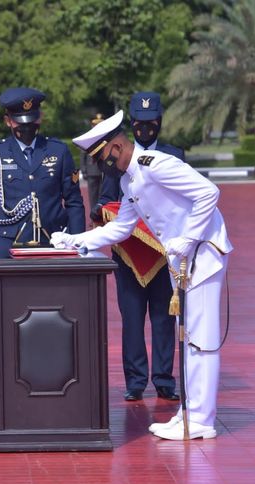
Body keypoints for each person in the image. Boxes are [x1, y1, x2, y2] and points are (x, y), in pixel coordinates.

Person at [52, 110, 233, 440]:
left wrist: (188, 238)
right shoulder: (128, 179)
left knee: (200, 342)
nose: (100, 166)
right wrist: (75, 240)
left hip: (203, 254)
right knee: (189, 339)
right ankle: (190, 414)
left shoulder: (157, 165)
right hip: (183, 261)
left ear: (118, 147)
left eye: (103, 157)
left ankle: (203, 420)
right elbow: (121, 228)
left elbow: (209, 192)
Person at [92, 92, 184, 403]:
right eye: (140, 124)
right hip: (129, 253)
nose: (146, 128)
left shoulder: (174, 155)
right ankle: (135, 380)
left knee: (163, 317)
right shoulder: (117, 158)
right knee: (132, 319)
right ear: (132, 124)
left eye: (151, 123)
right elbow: (107, 199)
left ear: (160, 122)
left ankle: (163, 378)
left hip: (163, 253)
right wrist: (100, 209)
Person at [0, 87, 85, 250]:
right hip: (9, 244)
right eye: (20, 121)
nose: (26, 126)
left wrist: (78, 242)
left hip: (55, 242)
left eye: (31, 120)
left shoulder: (58, 151)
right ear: (8, 120)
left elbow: (73, 201)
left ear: (40, 118)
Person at [80, 113, 104, 216]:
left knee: (103, 195)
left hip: (104, 171)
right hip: (92, 170)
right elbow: (83, 155)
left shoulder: (106, 137)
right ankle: (94, 215)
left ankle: (103, 216)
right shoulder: (88, 137)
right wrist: (84, 170)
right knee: (93, 196)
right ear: (92, 125)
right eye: (95, 124)